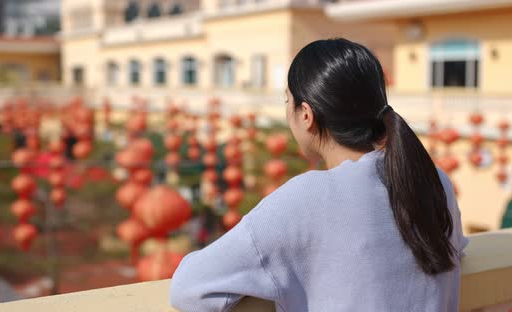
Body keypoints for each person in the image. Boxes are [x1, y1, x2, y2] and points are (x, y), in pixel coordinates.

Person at [170, 38, 468, 312]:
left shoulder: (305, 199)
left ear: (306, 115)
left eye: (287, 101)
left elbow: (189, 287)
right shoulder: (434, 181)